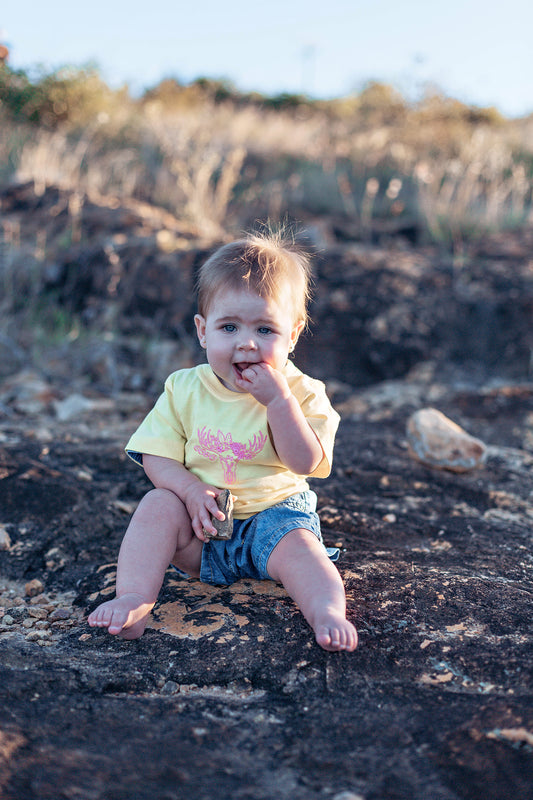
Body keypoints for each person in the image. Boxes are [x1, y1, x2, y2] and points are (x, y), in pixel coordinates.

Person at [88, 231, 358, 652]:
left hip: (275, 521)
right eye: (228, 326)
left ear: (293, 333)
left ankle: (325, 611)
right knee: (157, 505)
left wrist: (278, 402)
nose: (245, 342)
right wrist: (191, 491)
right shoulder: (184, 388)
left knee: (306, 552)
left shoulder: (303, 392)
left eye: (265, 328)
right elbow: (157, 457)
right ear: (202, 331)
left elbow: (306, 462)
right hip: (203, 528)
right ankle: (134, 598)